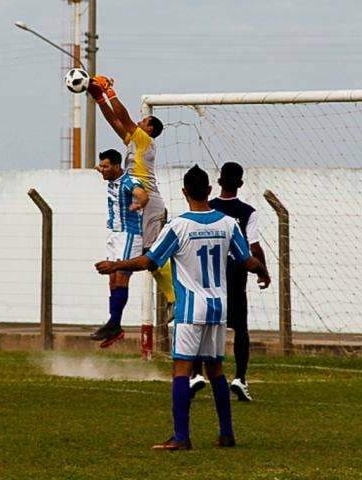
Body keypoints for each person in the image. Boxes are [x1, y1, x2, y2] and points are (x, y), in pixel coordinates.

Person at [95, 165, 270, 450]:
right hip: (218, 308)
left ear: (184, 192)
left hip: (190, 309)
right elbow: (247, 260)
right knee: (216, 371)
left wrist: (116, 264)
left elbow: (149, 261)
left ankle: (181, 437)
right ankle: (226, 434)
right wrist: (263, 272)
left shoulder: (178, 226)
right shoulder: (227, 223)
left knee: (182, 369)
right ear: (209, 191)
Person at [87, 75, 175, 310]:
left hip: (149, 200)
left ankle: (174, 297)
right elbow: (114, 121)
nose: (139, 122)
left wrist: (110, 91)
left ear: (150, 130)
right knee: (147, 253)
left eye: (144, 121)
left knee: (150, 253)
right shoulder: (133, 143)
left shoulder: (145, 141)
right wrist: (99, 99)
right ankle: (172, 297)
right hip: (138, 196)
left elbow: (123, 118)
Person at [189, 162, 267, 402]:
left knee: (202, 325)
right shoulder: (247, 212)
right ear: (240, 184)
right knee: (240, 327)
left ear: (219, 182)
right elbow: (253, 246)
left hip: (209, 275)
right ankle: (240, 379)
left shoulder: (207, 207)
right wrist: (263, 271)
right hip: (236, 273)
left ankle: (196, 375)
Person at [90, 149, 148, 346]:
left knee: (121, 274)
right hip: (114, 234)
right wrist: (98, 167)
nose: (102, 170)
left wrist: (139, 204)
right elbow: (99, 167)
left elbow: (142, 195)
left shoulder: (128, 182)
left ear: (117, 166)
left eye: (106, 166)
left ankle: (114, 323)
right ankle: (114, 325)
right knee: (112, 280)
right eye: (102, 166)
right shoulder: (109, 175)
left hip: (128, 234)